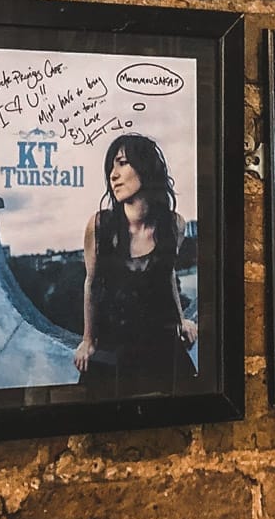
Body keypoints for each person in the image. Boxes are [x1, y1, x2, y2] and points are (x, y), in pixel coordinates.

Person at [73, 134, 197, 397]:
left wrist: (181, 320)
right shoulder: (100, 226)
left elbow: (167, 276)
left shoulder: (174, 225)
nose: (113, 175)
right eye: (111, 167)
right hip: (113, 352)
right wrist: (87, 340)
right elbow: (92, 284)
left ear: (146, 167)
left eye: (122, 163)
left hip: (161, 349)